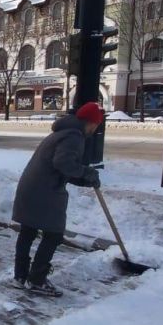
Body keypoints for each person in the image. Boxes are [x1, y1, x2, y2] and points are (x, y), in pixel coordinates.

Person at [10, 102, 103, 297]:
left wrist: (85, 179)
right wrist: (87, 172)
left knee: (28, 231)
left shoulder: (63, 131)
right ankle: (36, 280)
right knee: (53, 234)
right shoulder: (74, 136)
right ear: (91, 123)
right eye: (96, 125)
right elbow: (63, 163)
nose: (95, 130)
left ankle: (20, 276)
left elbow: (62, 168)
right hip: (45, 191)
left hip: (32, 187)